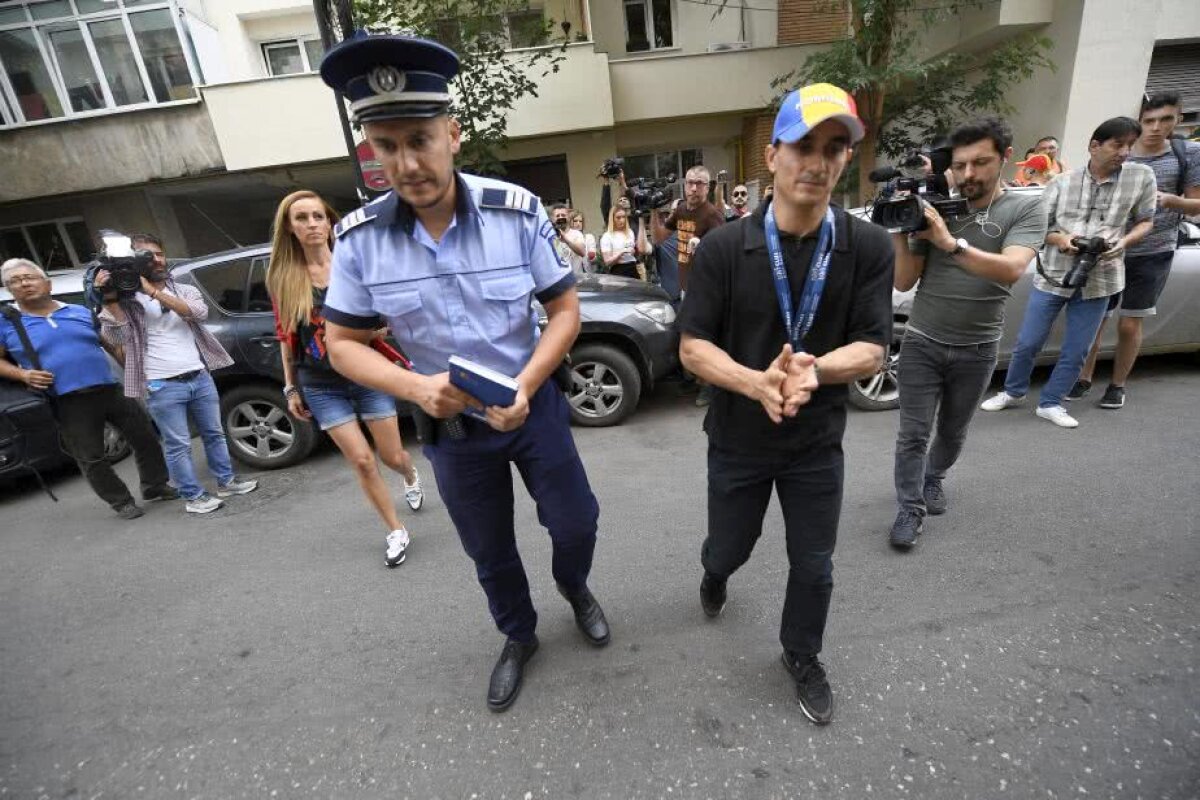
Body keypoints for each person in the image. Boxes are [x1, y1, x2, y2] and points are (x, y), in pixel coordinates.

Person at [317, 34, 610, 713]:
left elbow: (564, 310)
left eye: (419, 139)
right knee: (489, 551)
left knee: (576, 525)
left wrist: (527, 387)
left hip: (532, 410)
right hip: (453, 429)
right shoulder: (359, 240)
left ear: (453, 133)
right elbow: (341, 345)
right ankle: (520, 635)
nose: (404, 162)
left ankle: (575, 586)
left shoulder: (515, 211)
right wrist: (418, 390)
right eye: (385, 146)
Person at [677, 83, 893, 725]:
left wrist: (813, 371)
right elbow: (692, 348)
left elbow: (874, 349)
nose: (817, 161)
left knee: (816, 564)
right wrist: (756, 382)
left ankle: (801, 653)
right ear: (770, 156)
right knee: (730, 546)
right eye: (803, 145)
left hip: (815, 443)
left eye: (834, 148)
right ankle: (715, 573)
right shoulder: (722, 248)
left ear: (845, 161)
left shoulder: (867, 246)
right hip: (739, 439)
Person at [887, 117, 1047, 549]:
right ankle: (909, 508)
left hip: (977, 348)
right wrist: (902, 231)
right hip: (922, 340)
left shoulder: (1026, 208)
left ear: (1005, 158)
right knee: (912, 433)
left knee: (953, 432)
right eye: (961, 165)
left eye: (981, 162)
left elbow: (1011, 269)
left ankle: (934, 477)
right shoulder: (934, 207)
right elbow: (903, 282)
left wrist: (949, 243)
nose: (969, 174)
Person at [266, 190, 424, 567]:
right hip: (320, 383)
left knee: (391, 456)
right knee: (362, 461)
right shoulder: (282, 278)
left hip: (365, 372)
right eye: (301, 218)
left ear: (329, 222)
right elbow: (288, 339)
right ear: (289, 228)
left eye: (318, 216)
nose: (312, 224)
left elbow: (385, 314)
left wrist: (379, 329)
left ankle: (409, 473)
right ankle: (395, 529)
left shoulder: (353, 265)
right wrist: (291, 387)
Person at [980, 117, 1156, 428]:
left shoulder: (1141, 177)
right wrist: (1064, 240)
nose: (1124, 152)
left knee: (1078, 348)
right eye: (1118, 145)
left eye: (1129, 146)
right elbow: (1040, 228)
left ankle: (1051, 402)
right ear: (1094, 146)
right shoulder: (1061, 182)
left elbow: (1146, 220)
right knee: (1028, 341)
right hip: (1054, 273)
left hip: (1102, 275)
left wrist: (1123, 241)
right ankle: (1013, 391)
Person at [0, 258, 174, 519]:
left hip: (110, 388)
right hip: (67, 399)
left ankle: (155, 486)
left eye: (29, 277)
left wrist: (136, 376)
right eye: (15, 281)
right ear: (8, 290)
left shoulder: (78, 311)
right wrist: (23, 374)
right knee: (91, 457)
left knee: (146, 437)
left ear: (47, 284)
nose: (24, 283)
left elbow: (111, 345)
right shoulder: (7, 322)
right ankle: (121, 501)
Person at [97, 233, 258, 513]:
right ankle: (193, 496)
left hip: (198, 374)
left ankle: (226, 481)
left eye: (158, 254)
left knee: (214, 433)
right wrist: (110, 300)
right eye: (147, 255)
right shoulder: (125, 298)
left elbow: (197, 313)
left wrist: (154, 292)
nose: (156, 260)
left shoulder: (183, 289)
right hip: (162, 383)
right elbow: (114, 335)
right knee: (178, 444)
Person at [1072, 91, 1200, 409]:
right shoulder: (1124, 153)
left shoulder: (1188, 154)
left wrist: (1171, 201)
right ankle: (1083, 378)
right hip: (1107, 249)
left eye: (1165, 119)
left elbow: (1196, 205)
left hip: (1154, 250)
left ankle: (1117, 385)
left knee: (1130, 322)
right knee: (1096, 318)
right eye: (1149, 121)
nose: (1156, 127)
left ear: (1178, 120)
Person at [652, 165, 725, 293]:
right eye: (690, 183)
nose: (694, 188)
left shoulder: (712, 215)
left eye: (699, 183)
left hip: (706, 288)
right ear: (685, 185)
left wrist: (701, 245)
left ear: (707, 188)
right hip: (685, 287)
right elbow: (658, 238)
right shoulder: (681, 210)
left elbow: (722, 254)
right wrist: (653, 210)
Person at [599, 206, 651, 279]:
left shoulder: (630, 232)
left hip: (633, 268)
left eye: (624, 217)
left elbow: (634, 253)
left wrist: (634, 251)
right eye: (618, 217)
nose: (622, 220)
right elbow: (607, 262)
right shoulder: (607, 236)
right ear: (612, 219)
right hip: (619, 270)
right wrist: (621, 252)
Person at [566, 210, 597, 275]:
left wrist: (593, 257)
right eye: (575, 221)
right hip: (573, 274)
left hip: (588, 274)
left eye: (580, 221)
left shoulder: (589, 237)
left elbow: (593, 254)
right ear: (569, 222)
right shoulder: (566, 239)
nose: (578, 223)